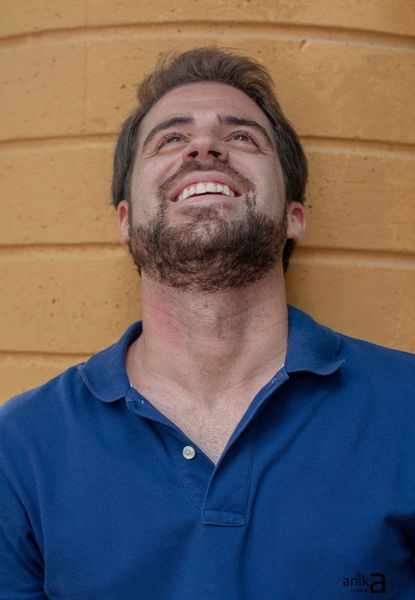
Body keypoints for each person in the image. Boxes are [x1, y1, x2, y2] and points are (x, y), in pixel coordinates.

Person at [0, 47, 414, 599]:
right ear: (126, 220)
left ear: (293, 216)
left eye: (242, 137)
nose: (204, 147)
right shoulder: (20, 445)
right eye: (170, 139)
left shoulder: (407, 405)